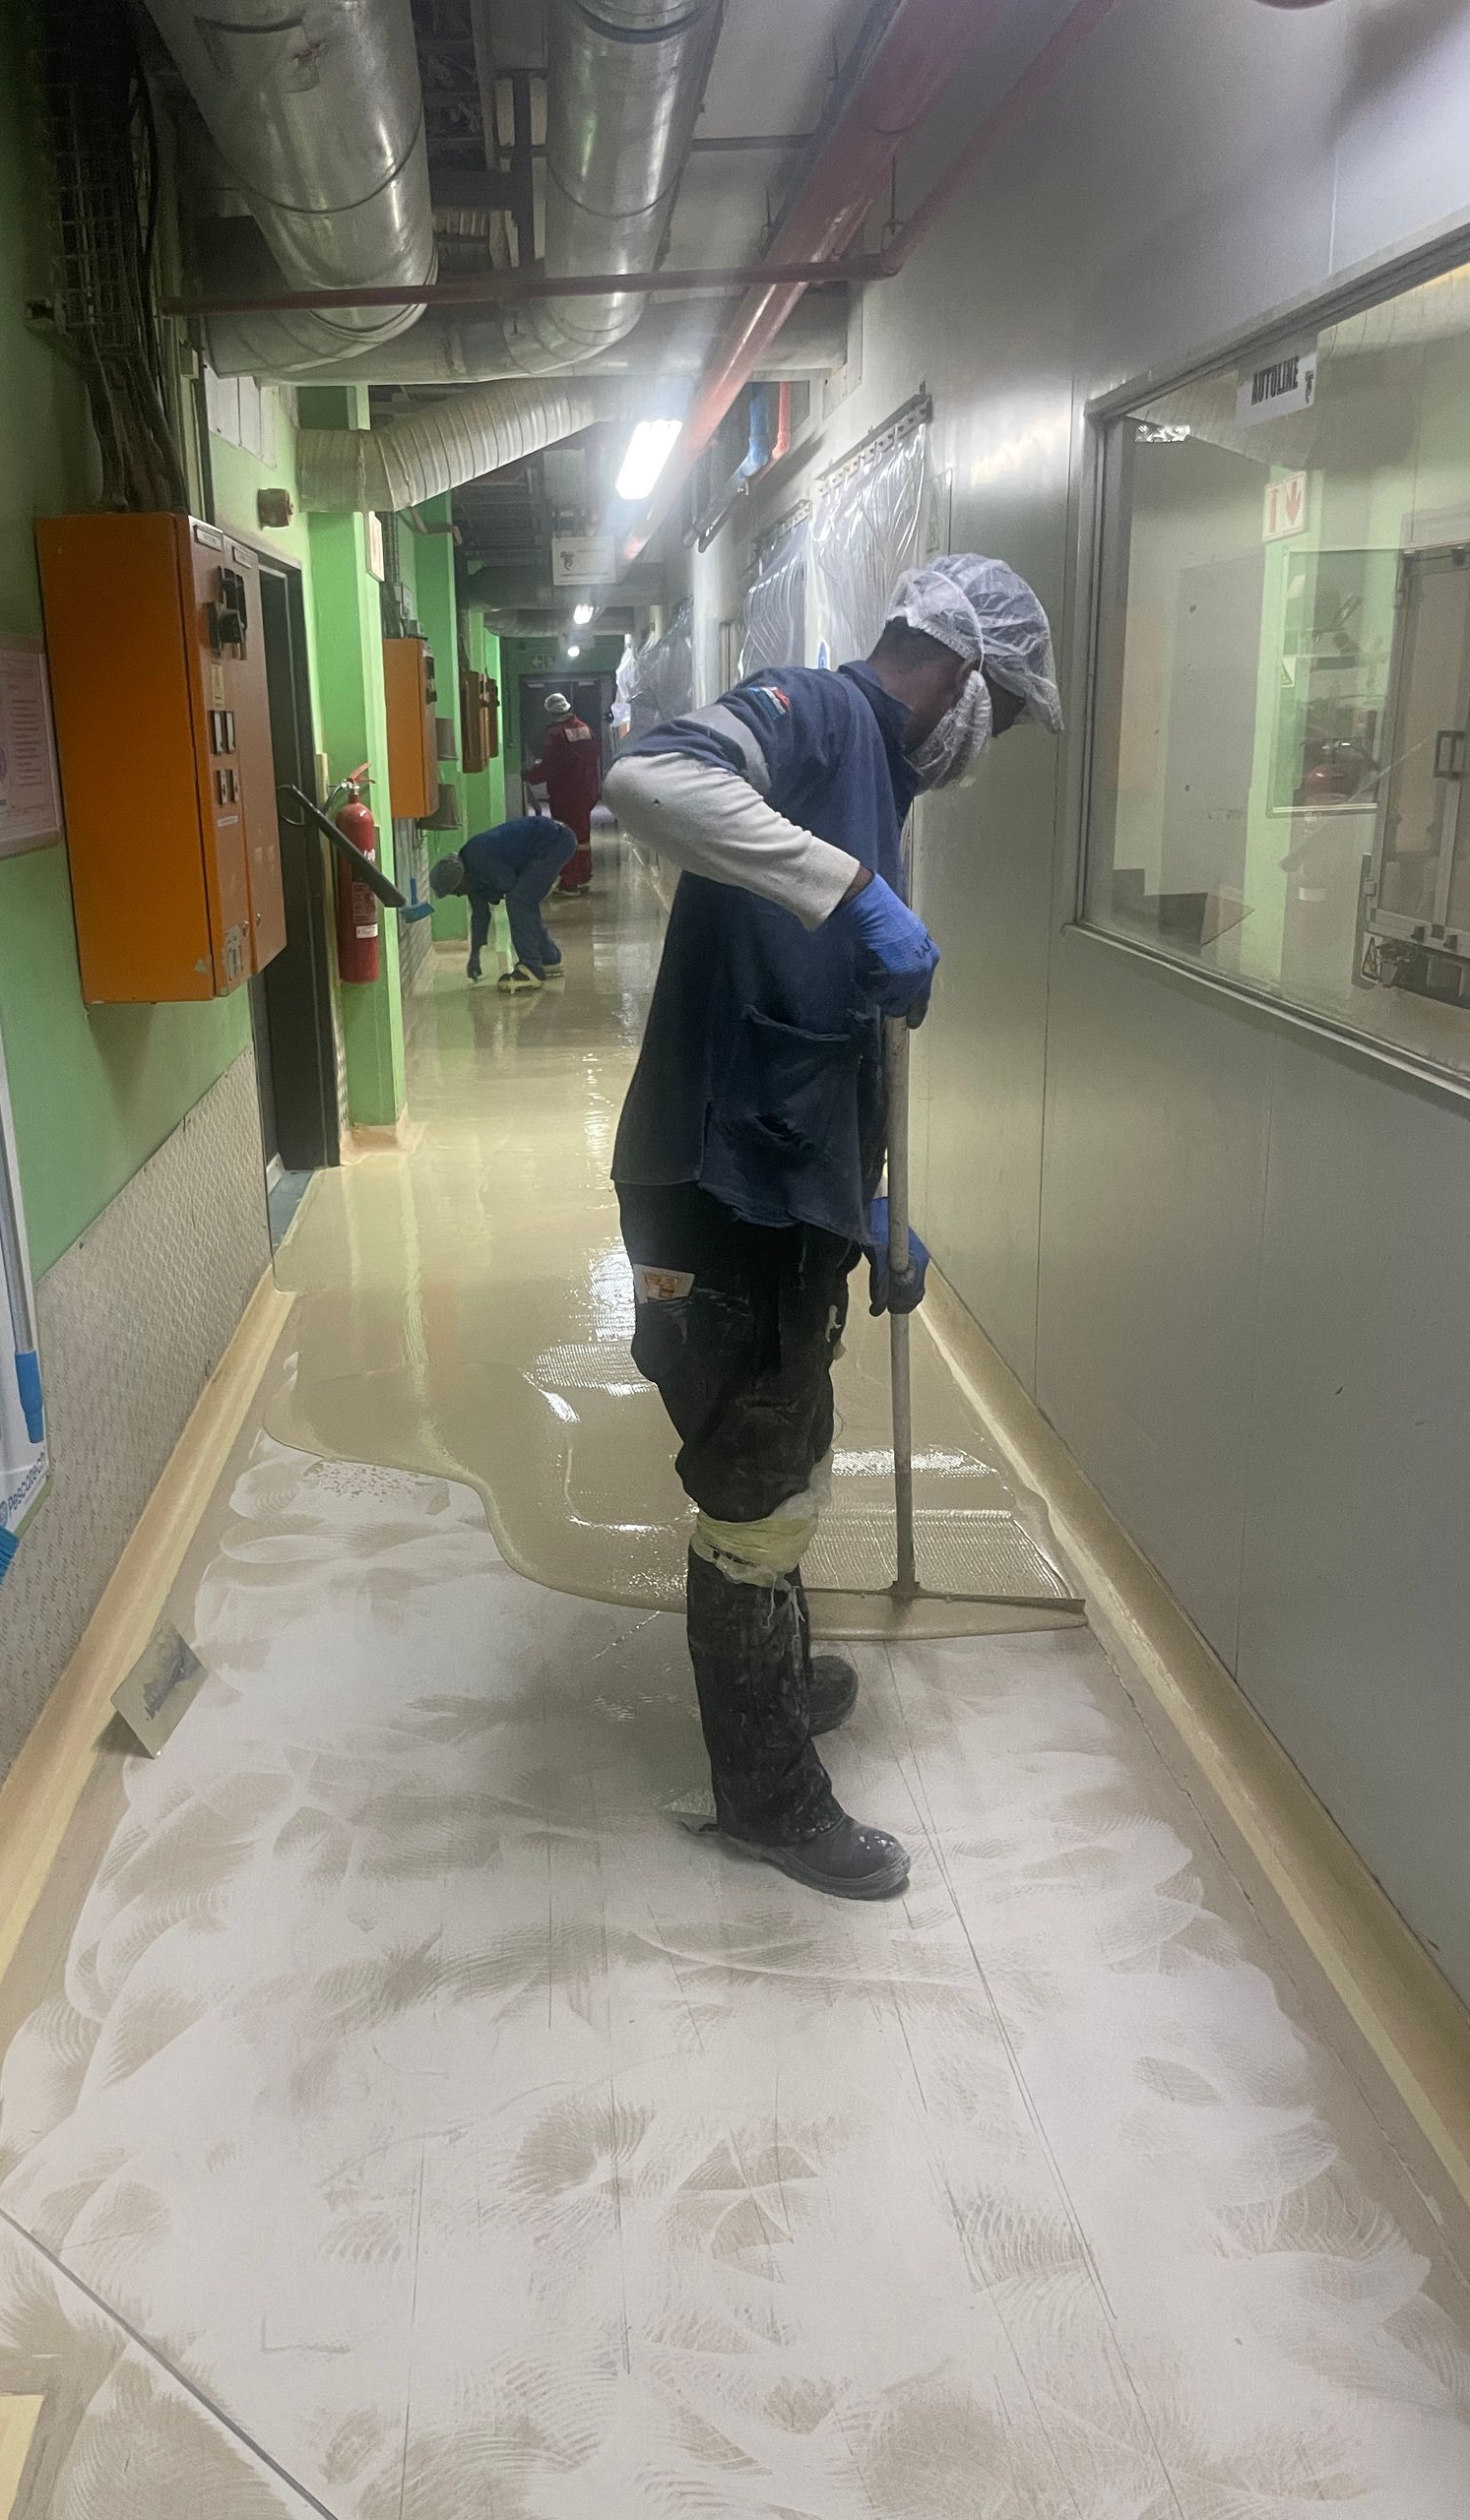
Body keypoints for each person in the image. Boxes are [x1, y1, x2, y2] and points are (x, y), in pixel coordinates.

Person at [602, 554, 1062, 1902]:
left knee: (788, 1430)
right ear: (958, 675)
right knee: (761, 1487)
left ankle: (779, 1675)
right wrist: (851, 890)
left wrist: (868, 1208)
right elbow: (649, 780)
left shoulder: (883, 777)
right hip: (715, 1190)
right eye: (1007, 711)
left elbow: (820, 1027)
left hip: (784, 1186)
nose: (997, 741)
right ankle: (767, 1798)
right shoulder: (813, 712)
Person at [429, 812, 578, 992]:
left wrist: (490, 894)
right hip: (548, 842)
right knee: (522, 901)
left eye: (455, 891)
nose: (459, 896)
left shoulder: (479, 857)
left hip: (555, 840)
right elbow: (480, 916)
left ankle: (531, 968)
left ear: (461, 880)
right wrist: (474, 954)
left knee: (519, 900)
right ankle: (549, 958)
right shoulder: (472, 876)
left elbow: (507, 883)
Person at [526, 692, 603, 893]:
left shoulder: (557, 735)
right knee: (582, 835)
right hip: (588, 790)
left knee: (567, 836)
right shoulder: (585, 729)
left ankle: (570, 883)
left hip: (567, 794)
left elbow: (553, 765)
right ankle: (584, 874)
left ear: (551, 713)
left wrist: (530, 775)